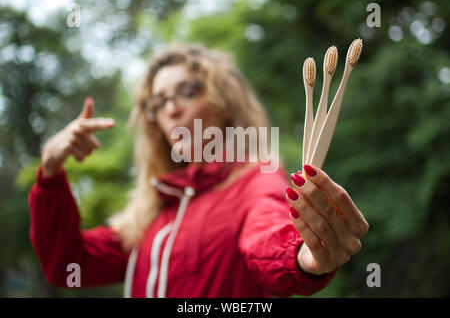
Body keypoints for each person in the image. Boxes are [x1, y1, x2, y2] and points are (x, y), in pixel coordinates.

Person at [28, 43, 369, 298]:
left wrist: (301, 255)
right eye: (158, 102)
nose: (171, 109)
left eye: (187, 91)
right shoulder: (152, 211)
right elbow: (68, 263)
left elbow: (266, 233)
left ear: (226, 103)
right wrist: (51, 174)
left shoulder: (253, 181)